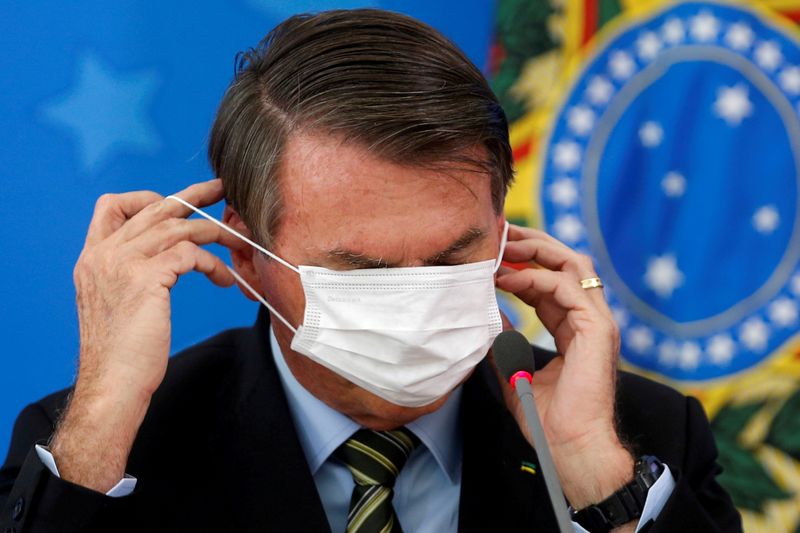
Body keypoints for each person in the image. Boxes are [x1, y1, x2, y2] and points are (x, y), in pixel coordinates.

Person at [0, 9, 739, 533]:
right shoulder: (102, 447)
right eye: (362, 270)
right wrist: (98, 421)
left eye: (452, 256)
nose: (418, 303)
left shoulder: (644, 435)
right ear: (247, 252)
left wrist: (592, 474)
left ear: (508, 236)